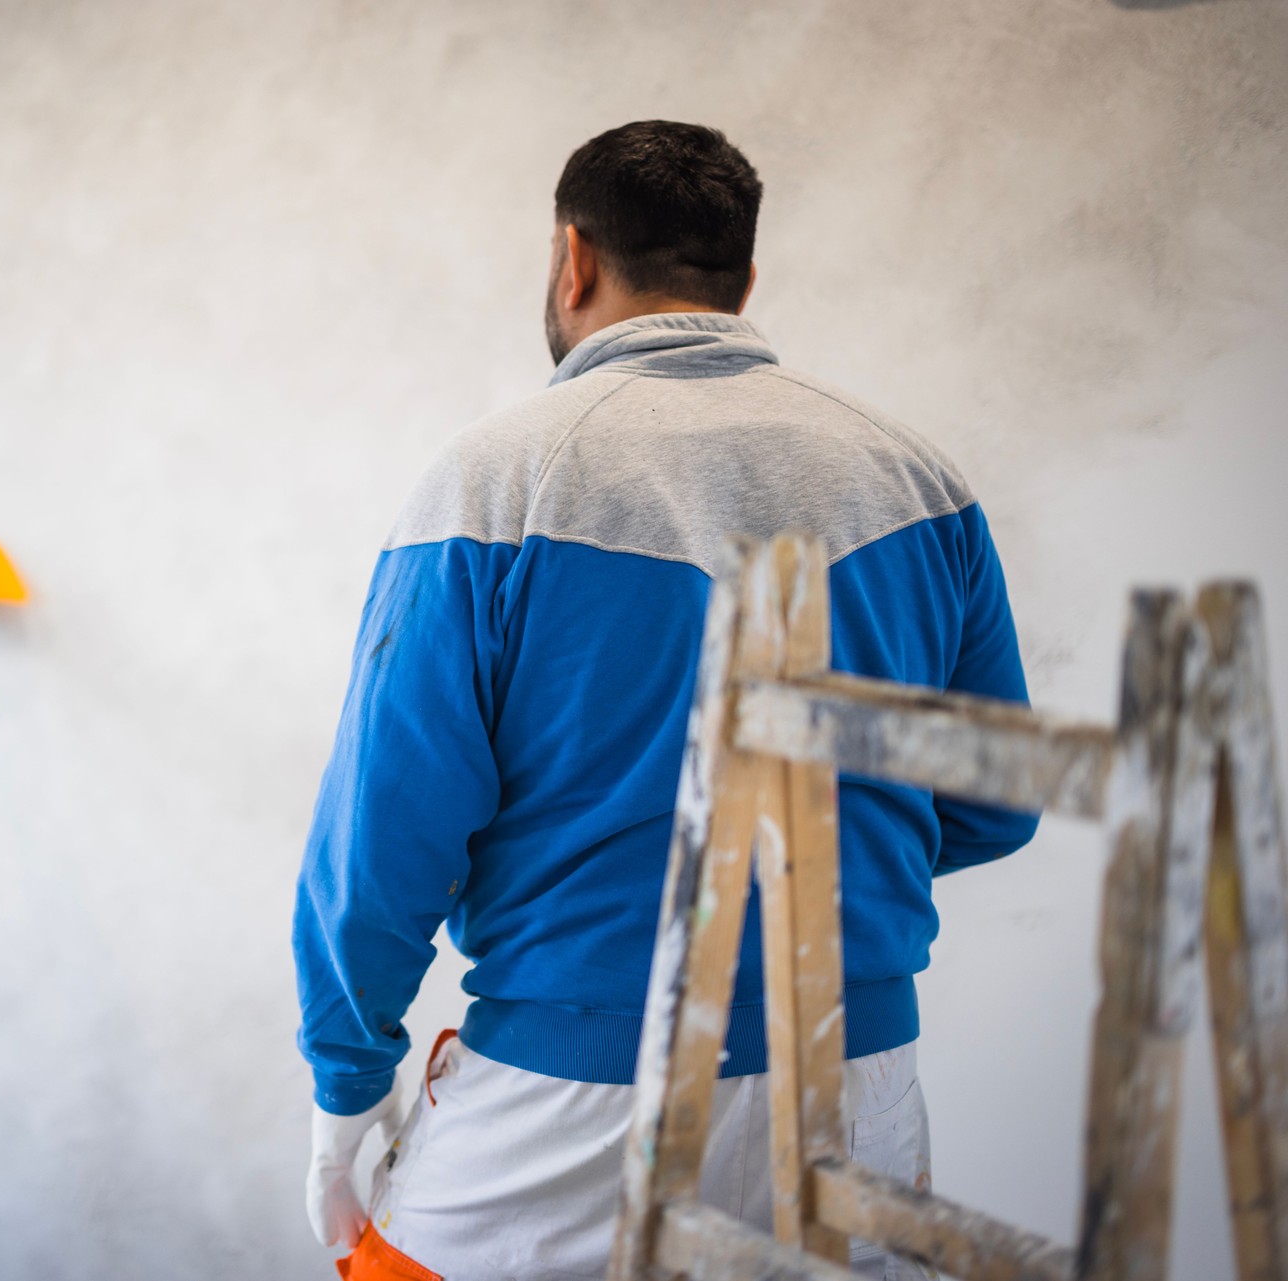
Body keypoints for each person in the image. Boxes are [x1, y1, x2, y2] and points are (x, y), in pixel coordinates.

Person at [293, 121, 1039, 1280]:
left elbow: (381, 844)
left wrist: (346, 1093)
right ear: (742, 281)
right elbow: (998, 803)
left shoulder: (492, 485)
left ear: (573, 262)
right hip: (859, 1095)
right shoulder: (917, 478)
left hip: (573, 1112)